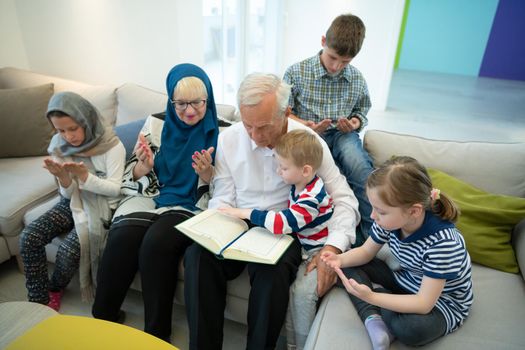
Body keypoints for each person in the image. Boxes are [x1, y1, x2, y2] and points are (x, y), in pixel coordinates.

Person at [183, 73, 359, 350]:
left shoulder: (310, 145)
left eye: (263, 127)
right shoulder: (229, 139)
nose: (254, 136)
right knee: (197, 257)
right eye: (248, 125)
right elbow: (223, 193)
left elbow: (345, 201)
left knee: (271, 272)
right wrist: (215, 224)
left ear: (287, 113)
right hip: (239, 221)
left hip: (284, 228)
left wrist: (333, 248)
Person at [92, 63, 219, 343]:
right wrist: (142, 167)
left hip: (192, 203)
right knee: (122, 238)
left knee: (155, 244)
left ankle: (157, 334)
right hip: (150, 194)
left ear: (207, 98)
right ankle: (103, 319)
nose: (189, 111)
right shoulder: (156, 122)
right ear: (170, 100)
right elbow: (135, 172)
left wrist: (207, 174)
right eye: (181, 103)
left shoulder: (223, 132)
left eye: (197, 103)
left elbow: (227, 188)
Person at [321, 156, 473, 349]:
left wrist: (372, 297)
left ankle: (376, 303)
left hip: (440, 302)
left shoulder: (444, 244)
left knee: (410, 330)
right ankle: (373, 317)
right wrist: (339, 258)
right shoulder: (390, 221)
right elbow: (366, 251)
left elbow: (424, 303)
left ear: (414, 211)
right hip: (407, 279)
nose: (372, 216)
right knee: (346, 265)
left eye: (380, 211)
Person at [219, 129, 334, 348]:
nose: (278, 171)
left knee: (300, 295)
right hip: (306, 245)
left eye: (283, 167)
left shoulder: (311, 198)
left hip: (316, 253)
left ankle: (299, 345)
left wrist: (247, 213)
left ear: (306, 170)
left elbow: (283, 223)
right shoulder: (301, 182)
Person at [19, 91, 126, 311]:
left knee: (69, 252)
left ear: (86, 120)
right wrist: (64, 177)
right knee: (29, 237)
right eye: (60, 130)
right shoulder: (58, 145)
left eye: (73, 128)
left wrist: (86, 177)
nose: (68, 137)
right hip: (72, 202)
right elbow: (67, 196)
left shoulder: (112, 145)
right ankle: (39, 302)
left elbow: (116, 189)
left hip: (101, 206)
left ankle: (55, 287)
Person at [283, 13, 374, 246]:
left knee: (359, 164)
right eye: (333, 58)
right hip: (307, 136)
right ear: (323, 41)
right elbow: (284, 113)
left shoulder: (357, 79)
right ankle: (309, 234)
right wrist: (306, 125)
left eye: (345, 62)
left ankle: (371, 236)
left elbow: (361, 112)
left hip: (342, 135)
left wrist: (353, 123)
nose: (336, 66)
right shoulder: (296, 72)